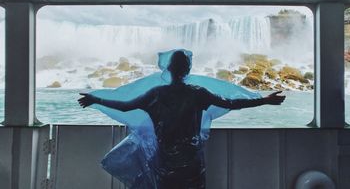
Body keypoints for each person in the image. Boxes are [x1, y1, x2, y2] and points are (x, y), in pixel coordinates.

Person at [78, 50, 285, 189]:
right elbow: (231, 102)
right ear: (187, 71)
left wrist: (96, 99)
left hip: (164, 162)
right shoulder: (198, 93)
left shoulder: (155, 94)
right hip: (192, 162)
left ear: (168, 70)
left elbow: (125, 106)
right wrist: (264, 100)